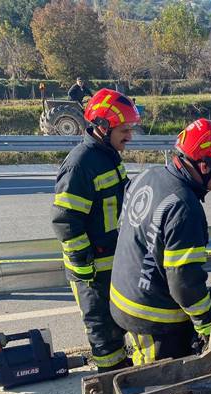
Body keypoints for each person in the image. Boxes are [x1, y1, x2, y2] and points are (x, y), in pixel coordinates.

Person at [110, 118, 211, 364]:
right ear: (204, 165)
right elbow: (184, 283)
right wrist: (206, 325)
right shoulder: (184, 206)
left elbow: (125, 227)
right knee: (163, 384)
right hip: (152, 318)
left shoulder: (149, 175)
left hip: (124, 295)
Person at [51, 89, 140, 372]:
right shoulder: (80, 164)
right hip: (91, 269)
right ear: (103, 126)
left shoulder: (108, 156)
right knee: (102, 330)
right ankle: (111, 380)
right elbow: (65, 218)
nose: (129, 136)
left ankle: (122, 371)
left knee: (118, 323)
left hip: (112, 261)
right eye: (124, 130)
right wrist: (82, 265)